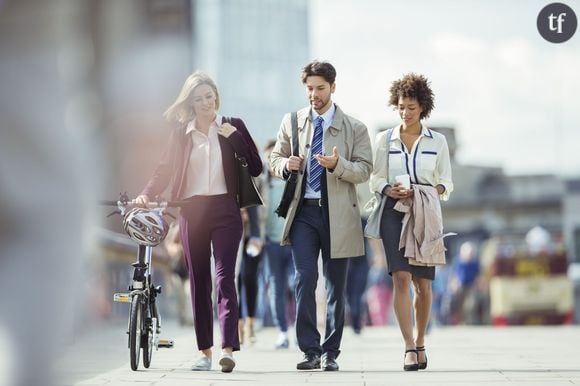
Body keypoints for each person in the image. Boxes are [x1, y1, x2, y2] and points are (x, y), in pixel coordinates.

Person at [136, 71, 262, 373]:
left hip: (226, 210)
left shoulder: (234, 126)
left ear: (216, 96)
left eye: (209, 96)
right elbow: (164, 169)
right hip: (192, 211)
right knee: (200, 281)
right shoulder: (182, 133)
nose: (205, 102)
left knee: (224, 279)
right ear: (190, 104)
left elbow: (256, 167)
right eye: (198, 99)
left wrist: (236, 140)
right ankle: (204, 352)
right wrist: (145, 194)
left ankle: (227, 348)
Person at [270, 61, 373, 371]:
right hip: (303, 214)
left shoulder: (355, 127)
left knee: (334, 286)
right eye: (309, 89)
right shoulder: (292, 121)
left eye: (320, 88)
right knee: (304, 278)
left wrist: (336, 166)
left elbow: (365, 169)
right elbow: (274, 158)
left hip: (338, 215)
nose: (314, 95)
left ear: (333, 87)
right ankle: (310, 350)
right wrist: (285, 165)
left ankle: (331, 352)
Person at [369, 73, 453, 371]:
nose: (405, 112)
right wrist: (387, 189)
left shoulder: (437, 141)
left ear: (423, 108)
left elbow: (446, 183)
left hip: (426, 213)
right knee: (401, 278)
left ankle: (420, 343)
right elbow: (375, 177)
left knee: (424, 285)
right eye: (401, 106)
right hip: (394, 211)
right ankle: (407, 347)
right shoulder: (384, 140)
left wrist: (426, 191)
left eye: (412, 107)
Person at [263, 140, 295, 349]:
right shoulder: (262, 183)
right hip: (271, 243)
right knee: (276, 287)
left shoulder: (294, 178)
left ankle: (302, 330)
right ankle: (283, 332)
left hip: (294, 242)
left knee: (298, 284)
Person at [237, 206, 263, 345]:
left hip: (254, 234)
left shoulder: (261, 183)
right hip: (233, 230)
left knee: (250, 277)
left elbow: (265, 206)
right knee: (236, 278)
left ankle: (250, 324)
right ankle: (238, 325)